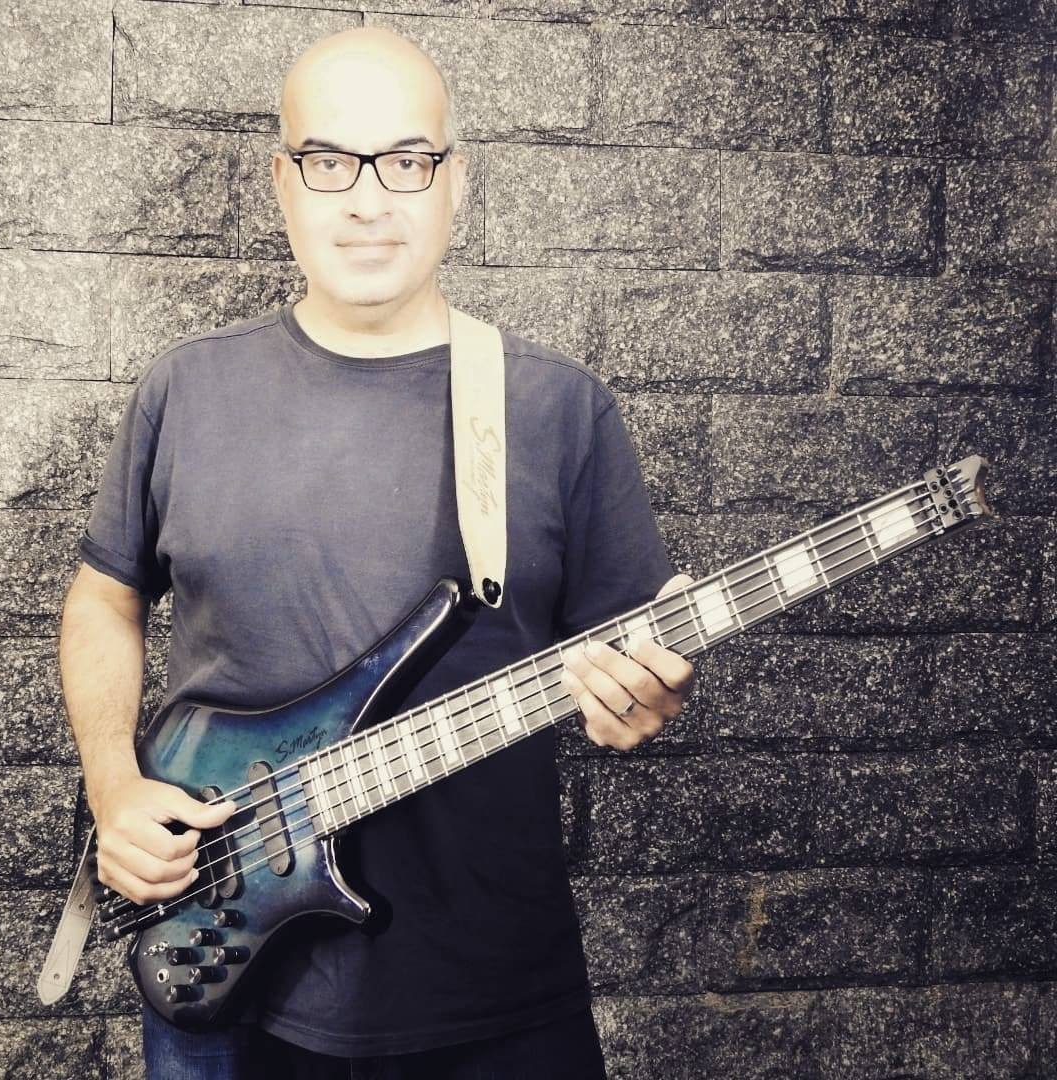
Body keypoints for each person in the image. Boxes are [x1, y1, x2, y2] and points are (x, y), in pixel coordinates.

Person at [57, 26, 696, 1080]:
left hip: (493, 989)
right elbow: (102, 599)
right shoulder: (186, 388)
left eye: (406, 160)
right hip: (221, 977)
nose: (367, 200)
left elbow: (632, 667)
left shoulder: (557, 410)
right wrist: (114, 785)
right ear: (282, 182)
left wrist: (643, 695)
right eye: (329, 161)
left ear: (456, 183)